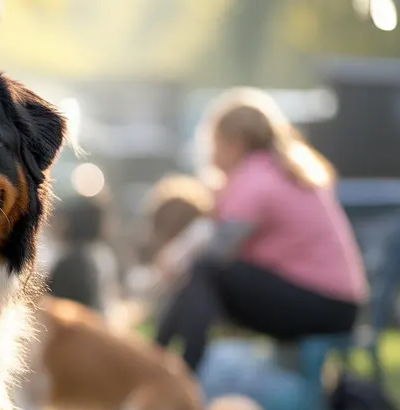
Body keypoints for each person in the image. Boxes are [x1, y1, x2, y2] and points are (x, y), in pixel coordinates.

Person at [154, 87, 368, 372]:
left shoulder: (257, 178)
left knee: (206, 272)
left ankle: (175, 371)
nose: (210, 153)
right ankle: (160, 365)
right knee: (203, 278)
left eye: (213, 143)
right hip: (336, 304)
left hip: (325, 306)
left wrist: (171, 267)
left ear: (235, 143)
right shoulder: (277, 169)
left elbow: (217, 251)